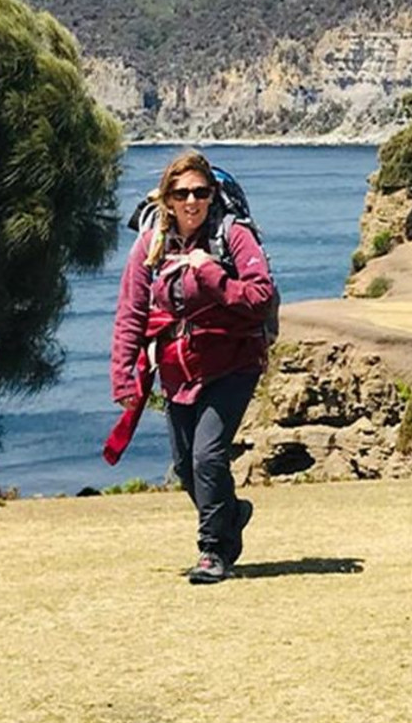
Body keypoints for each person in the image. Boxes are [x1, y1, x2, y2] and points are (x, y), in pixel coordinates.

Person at [110, 150, 275, 584]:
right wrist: (123, 374)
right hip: (178, 371)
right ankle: (232, 515)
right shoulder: (151, 244)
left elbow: (260, 298)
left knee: (207, 457)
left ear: (212, 194)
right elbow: (131, 311)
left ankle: (213, 551)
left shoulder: (232, 236)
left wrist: (209, 274)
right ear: (167, 199)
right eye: (181, 193)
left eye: (200, 192)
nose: (191, 201)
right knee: (186, 467)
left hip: (233, 363)